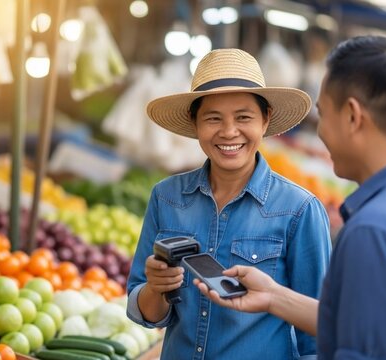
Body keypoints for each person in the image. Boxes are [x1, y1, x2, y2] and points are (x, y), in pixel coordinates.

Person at [196, 36, 386, 359]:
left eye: (323, 113)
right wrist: (274, 296)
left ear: (353, 116)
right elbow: (371, 327)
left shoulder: (375, 230)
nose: (320, 131)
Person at [126, 48, 332, 359]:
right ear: (195, 124)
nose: (229, 131)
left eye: (243, 117)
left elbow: (318, 339)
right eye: (213, 118)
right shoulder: (166, 197)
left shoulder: (299, 210)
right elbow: (147, 314)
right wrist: (156, 289)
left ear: (265, 120)